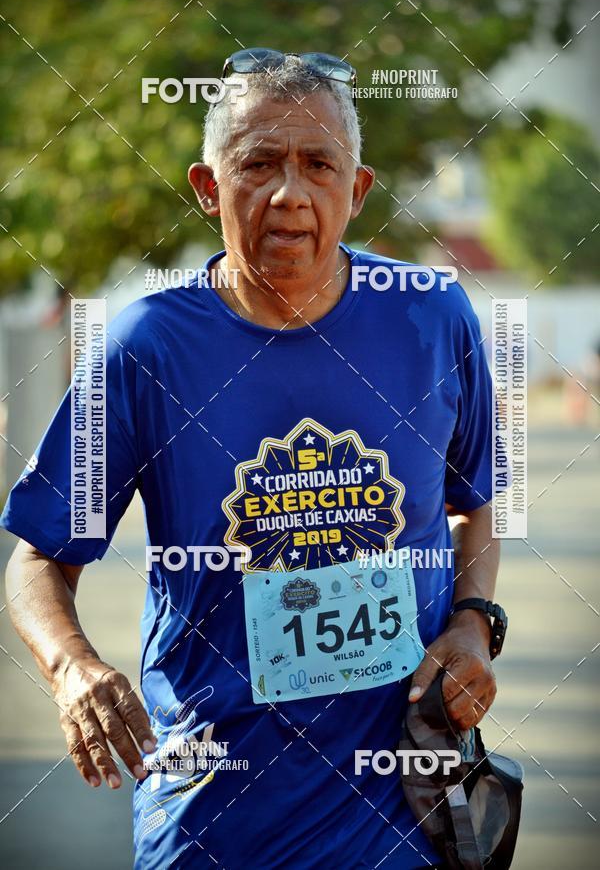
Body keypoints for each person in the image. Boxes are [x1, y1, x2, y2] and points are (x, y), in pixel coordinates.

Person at [2, 49, 500, 869]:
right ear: (208, 188)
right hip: (211, 822)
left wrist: (476, 624)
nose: (289, 195)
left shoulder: (429, 317)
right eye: (258, 164)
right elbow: (37, 558)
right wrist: (73, 668)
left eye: (318, 165)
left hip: (403, 819)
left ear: (358, 188)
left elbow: (479, 499)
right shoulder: (148, 347)